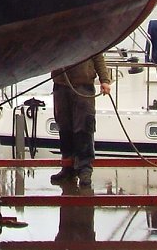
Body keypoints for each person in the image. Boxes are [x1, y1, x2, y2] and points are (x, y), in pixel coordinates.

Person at [47, 50, 113, 186]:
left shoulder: (89, 33)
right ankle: (67, 166)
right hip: (61, 85)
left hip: (83, 85)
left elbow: (98, 55)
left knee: (84, 127)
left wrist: (104, 80)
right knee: (64, 128)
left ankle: (85, 169)